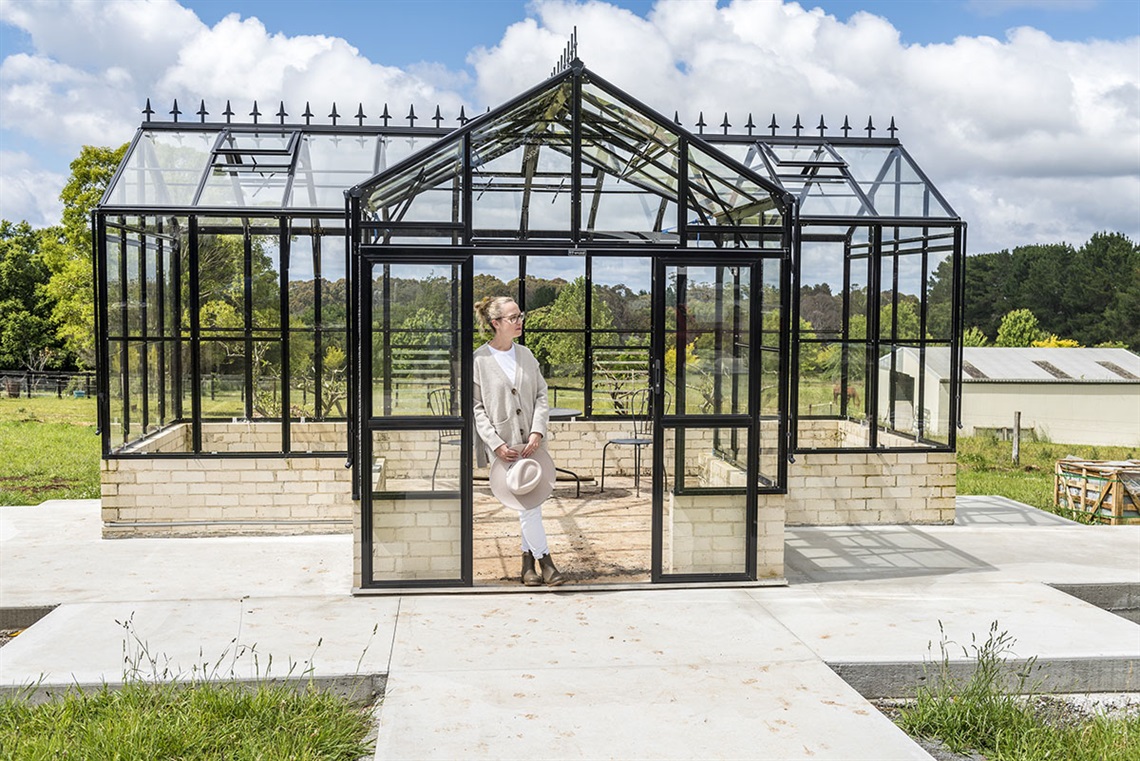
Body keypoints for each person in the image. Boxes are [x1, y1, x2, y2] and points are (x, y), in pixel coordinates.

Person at [473, 295, 566, 587]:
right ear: (495, 323)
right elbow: (476, 408)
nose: (519, 321)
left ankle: (528, 565)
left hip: (533, 445)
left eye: (520, 315)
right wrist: (495, 444)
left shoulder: (526, 355)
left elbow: (541, 394)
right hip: (506, 449)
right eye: (513, 317)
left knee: (530, 503)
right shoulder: (479, 360)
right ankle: (546, 562)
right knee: (528, 505)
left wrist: (538, 430)